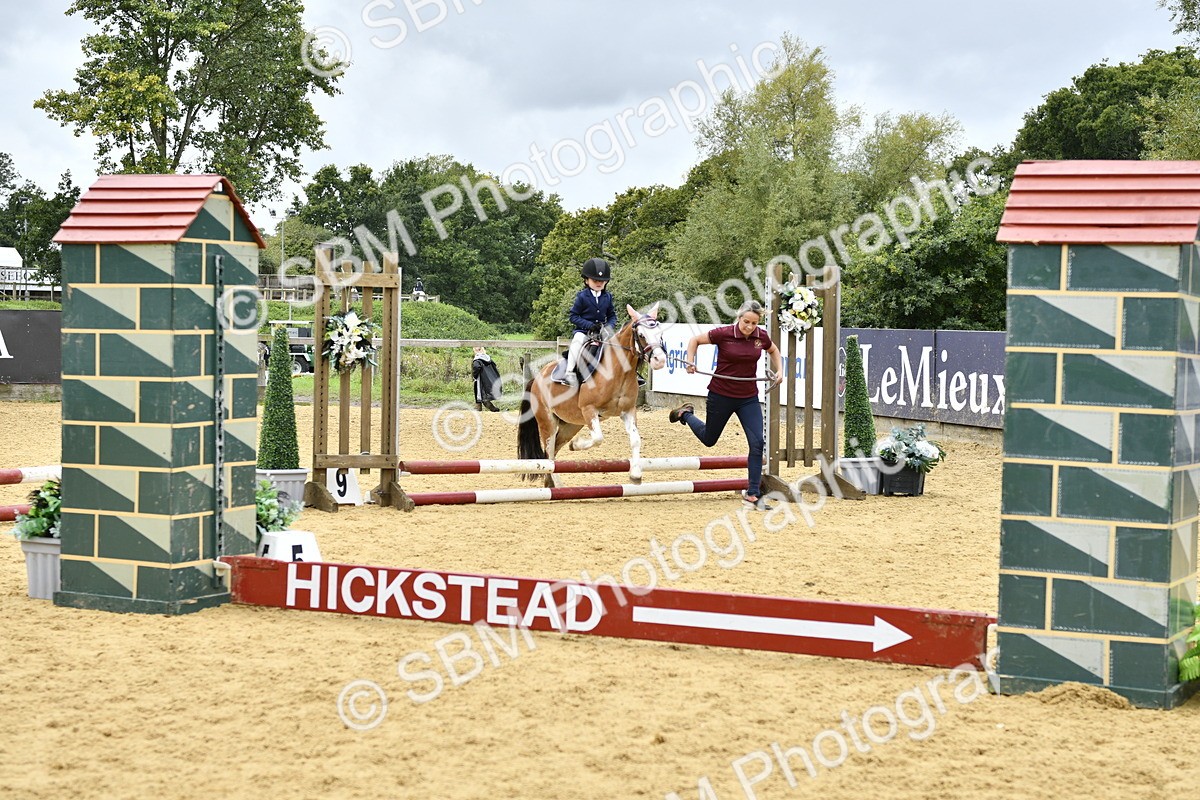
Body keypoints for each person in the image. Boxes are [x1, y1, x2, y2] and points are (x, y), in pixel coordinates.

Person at [669, 300, 784, 511]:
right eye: (746, 321)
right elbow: (694, 340)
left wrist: (780, 371)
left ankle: (752, 495)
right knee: (709, 439)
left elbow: (774, 351)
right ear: (739, 317)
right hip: (720, 395)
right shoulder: (723, 333)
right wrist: (690, 360)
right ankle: (685, 414)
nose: (749, 327)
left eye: (754, 323)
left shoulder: (761, 337)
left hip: (748, 397)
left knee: (757, 443)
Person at [558, 257, 617, 386]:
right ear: (586, 280)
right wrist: (590, 325)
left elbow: (612, 316)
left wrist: (608, 327)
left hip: (602, 333)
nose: (599, 283)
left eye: (602, 281)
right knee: (577, 341)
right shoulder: (582, 297)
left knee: (618, 346)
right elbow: (573, 316)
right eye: (595, 280)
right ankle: (569, 372)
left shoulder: (608, 297)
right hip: (584, 332)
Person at [471, 346, 502, 412]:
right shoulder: (488, 358)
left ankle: (490, 409)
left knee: (481, 395)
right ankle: (478, 407)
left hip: (480, 380)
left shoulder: (477, 360)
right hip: (488, 379)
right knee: (482, 395)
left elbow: (476, 367)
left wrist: (474, 376)